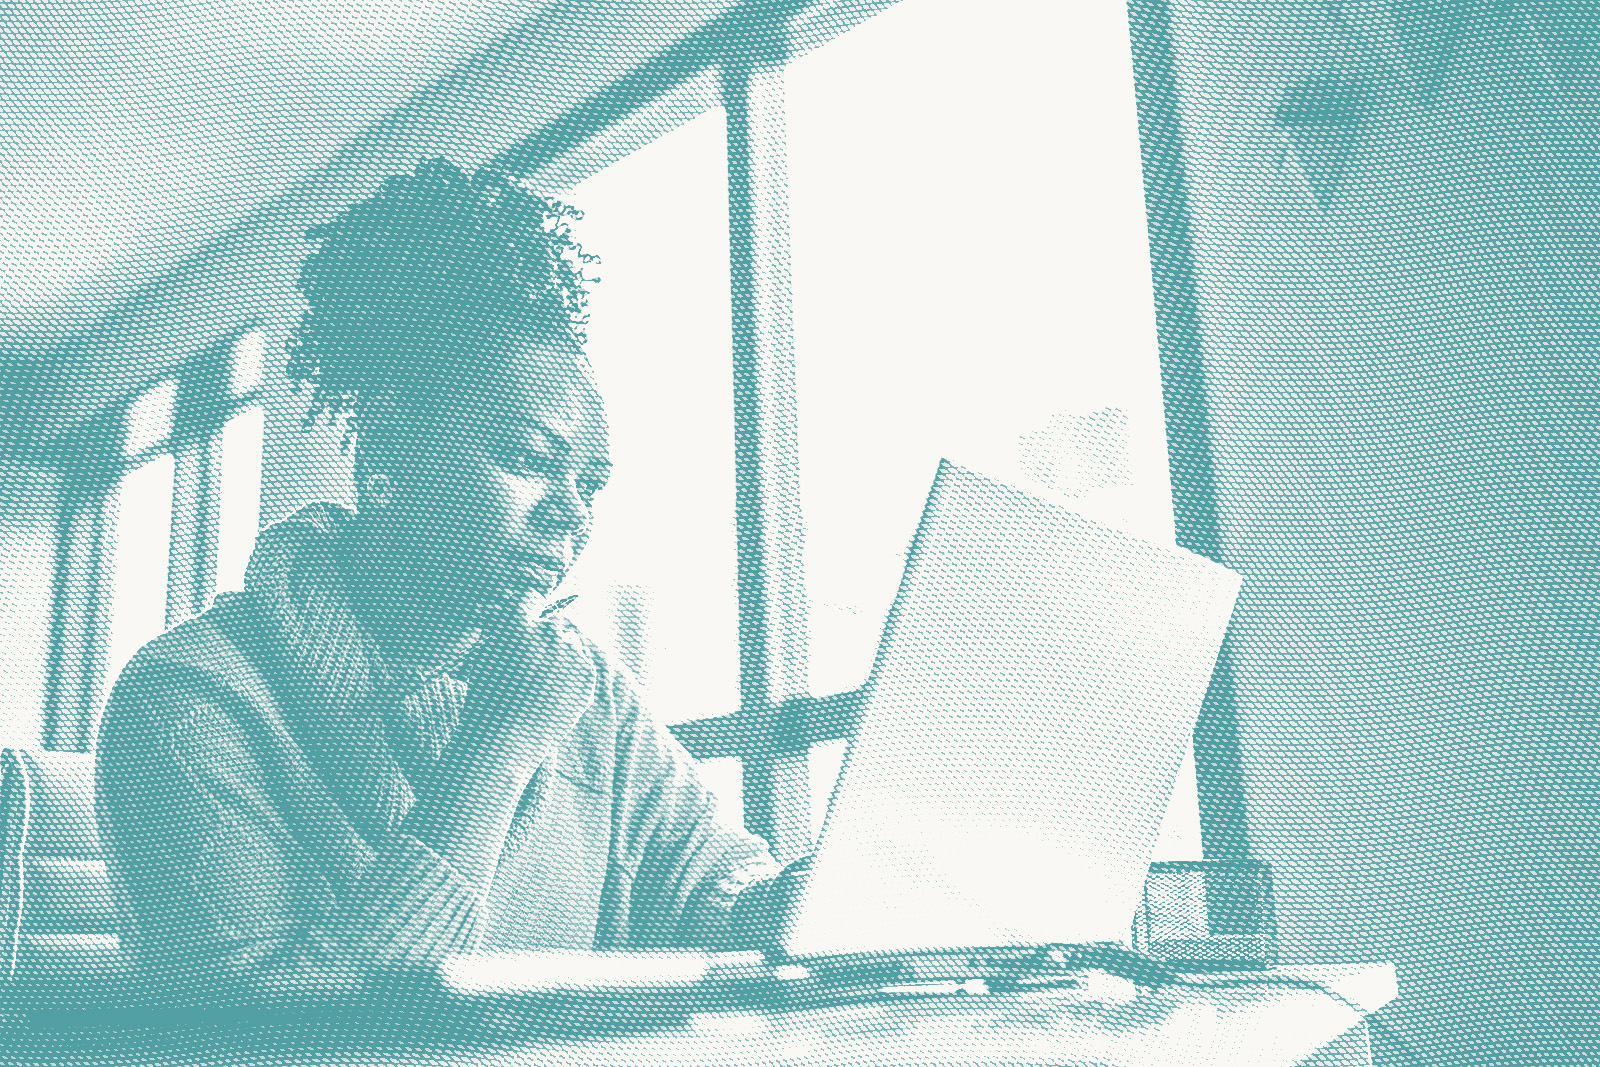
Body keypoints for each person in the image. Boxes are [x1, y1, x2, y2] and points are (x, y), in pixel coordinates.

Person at [96, 159, 801, 996]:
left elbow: (711, 890)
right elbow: (271, 1032)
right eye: (530, 462)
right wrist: (498, 743)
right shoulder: (187, 697)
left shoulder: (588, 691)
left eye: (590, 483)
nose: (570, 513)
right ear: (391, 454)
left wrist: (824, 894)